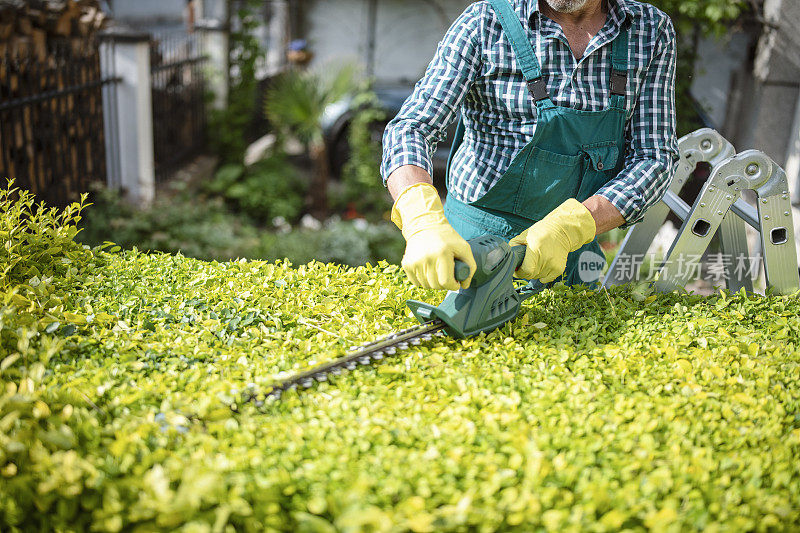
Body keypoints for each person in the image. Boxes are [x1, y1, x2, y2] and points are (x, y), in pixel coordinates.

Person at [381, 0, 678, 291]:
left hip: (570, 260)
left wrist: (571, 228)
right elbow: (411, 128)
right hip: (467, 257)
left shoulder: (649, 30)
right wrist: (422, 220)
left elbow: (654, 157)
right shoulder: (484, 22)